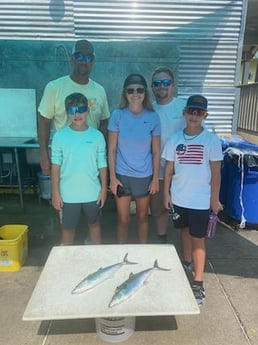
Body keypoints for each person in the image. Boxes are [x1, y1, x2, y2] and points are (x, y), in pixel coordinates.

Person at [163, 95, 223, 305]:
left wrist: (214, 200)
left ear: (205, 115)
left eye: (199, 113)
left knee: (199, 240)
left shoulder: (211, 141)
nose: (194, 116)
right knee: (184, 232)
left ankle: (198, 283)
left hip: (200, 201)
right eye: (191, 112)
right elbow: (168, 169)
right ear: (184, 113)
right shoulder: (174, 139)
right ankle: (187, 263)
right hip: (179, 199)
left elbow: (216, 173)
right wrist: (166, 194)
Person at [38, 39, 110, 176]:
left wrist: (101, 154)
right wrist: (44, 154)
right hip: (64, 160)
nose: (84, 61)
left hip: (90, 161)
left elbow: (104, 122)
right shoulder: (54, 87)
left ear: (93, 61)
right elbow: (44, 121)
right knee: (61, 195)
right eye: (79, 56)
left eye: (88, 57)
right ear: (72, 58)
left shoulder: (100, 90)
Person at [108, 73, 161, 244]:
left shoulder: (153, 117)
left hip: (144, 177)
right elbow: (112, 149)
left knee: (143, 217)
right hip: (122, 176)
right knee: (123, 219)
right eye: (131, 90)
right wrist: (113, 178)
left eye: (139, 90)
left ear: (145, 92)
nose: (135, 94)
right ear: (125, 93)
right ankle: (120, 253)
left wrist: (155, 179)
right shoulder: (117, 115)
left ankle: (143, 253)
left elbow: (156, 151)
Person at [51, 92, 107, 245]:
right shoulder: (60, 137)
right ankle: (66, 259)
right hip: (68, 194)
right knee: (67, 229)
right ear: (66, 113)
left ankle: (97, 256)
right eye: (71, 111)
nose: (77, 114)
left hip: (92, 192)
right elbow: (55, 167)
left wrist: (103, 190)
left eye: (81, 109)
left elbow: (102, 164)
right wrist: (55, 193)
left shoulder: (97, 136)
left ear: (88, 111)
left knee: (94, 225)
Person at [150, 66, 186, 243]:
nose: (161, 87)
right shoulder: (149, 109)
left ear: (173, 85)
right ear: (152, 87)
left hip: (183, 170)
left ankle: (186, 247)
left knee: (184, 209)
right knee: (160, 209)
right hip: (158, 169)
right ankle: (162, 241)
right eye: (157, 83)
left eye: (166, 82)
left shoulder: (184, 106)